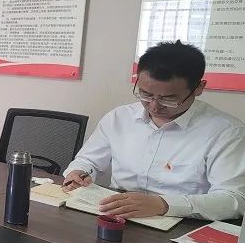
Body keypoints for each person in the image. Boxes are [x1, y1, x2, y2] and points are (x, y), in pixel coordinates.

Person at [63, 41, 245, 221]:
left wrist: (164, 204)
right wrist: (79, 172)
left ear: (199, 88)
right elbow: (88, 161)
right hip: (116, 216)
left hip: (182, 222)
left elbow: (234, 199)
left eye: (168, 99)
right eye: (146, 94)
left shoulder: (226, 132)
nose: (154, 106)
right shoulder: (119, 117)